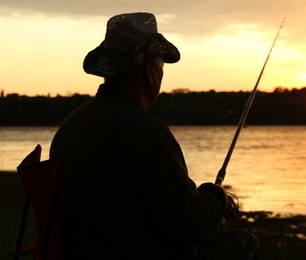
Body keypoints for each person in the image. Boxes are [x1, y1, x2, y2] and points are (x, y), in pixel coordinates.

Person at [50, 12, 260, 260]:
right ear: (150, 70)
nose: (161, 73)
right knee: (243, 244)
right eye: (161, 65)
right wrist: (216, 197)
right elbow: (191, 225)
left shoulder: (70, 125)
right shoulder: (147, 130)